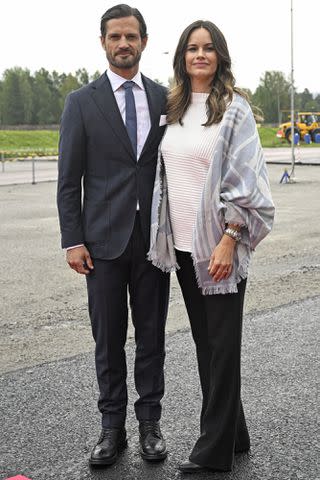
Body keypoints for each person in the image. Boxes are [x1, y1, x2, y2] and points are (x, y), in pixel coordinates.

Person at [148, 20, 275, 473]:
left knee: (223, 346)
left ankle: (213, 452)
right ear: (182, 56)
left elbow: (247, 181)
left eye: (208, 49)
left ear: (220, 56)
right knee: (208, 344)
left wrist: (230, 238)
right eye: (191, 49)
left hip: (219, 248)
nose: (199, 55)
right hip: (182, 247)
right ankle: (235, 434)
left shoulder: (234, 110)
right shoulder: (174, 107)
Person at [57, 4, 170, 467]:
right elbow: (69, 179)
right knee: (108, 340)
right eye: (115, 36)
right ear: (103, 43)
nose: (123, 43)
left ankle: (149, 425)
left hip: (153, 241)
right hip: (101, 244)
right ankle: (111, 429)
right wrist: (72, 239)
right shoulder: (81, 102)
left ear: (143, 41)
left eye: (132, 36)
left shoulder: (167, 98)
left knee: (152, 337)